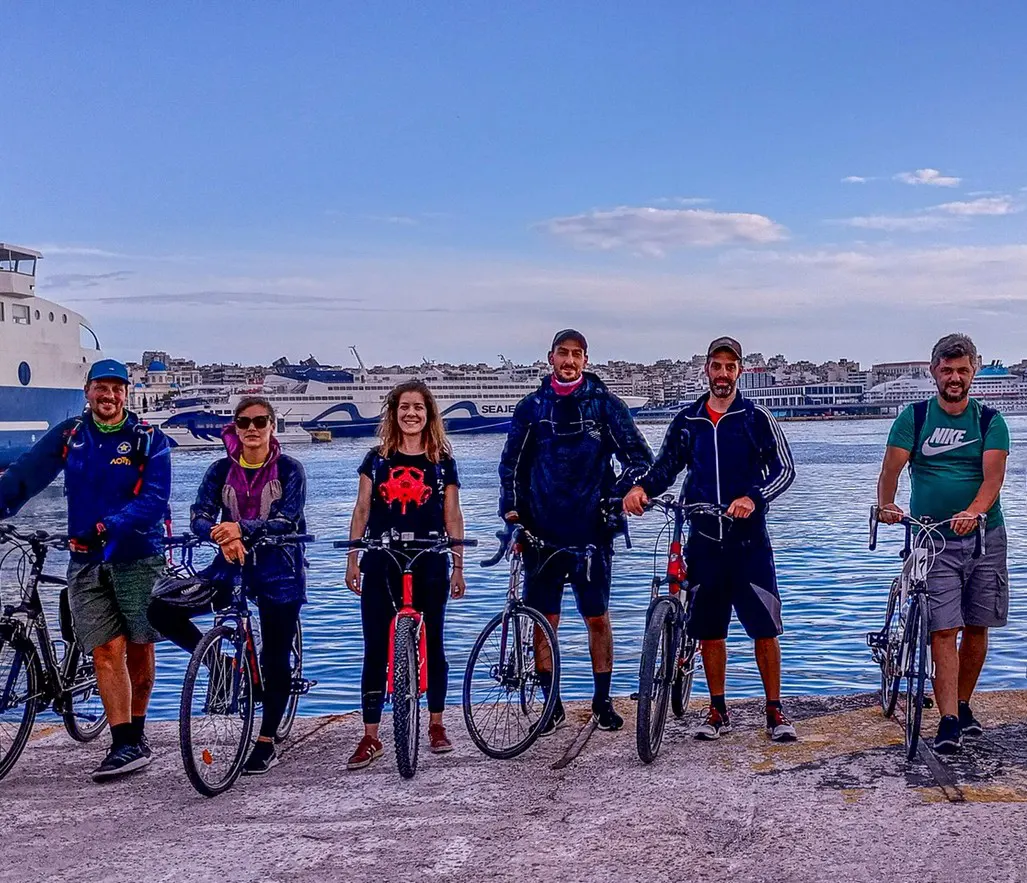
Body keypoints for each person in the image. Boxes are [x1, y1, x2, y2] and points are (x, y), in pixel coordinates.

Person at [0, 359, 171, 780]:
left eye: (116, 389)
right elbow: (26, 473)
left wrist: (108, 527)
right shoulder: (70, 436)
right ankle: (125, 743)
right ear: (87, 392)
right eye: (100, 388)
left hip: (137, 556)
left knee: (138, 647)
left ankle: (139, 729)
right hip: (85, 560)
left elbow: (154, 500)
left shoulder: (149, 439)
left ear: (126, 394)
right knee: (104, 649)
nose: (107, 396)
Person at [624, 336, 797, 742]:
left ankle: (774, 709)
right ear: (707, 369)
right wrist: (640, 491)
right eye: (716, 366)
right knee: (709, 631)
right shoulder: (688, 421)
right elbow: (664, 467)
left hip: (749, 543)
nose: (722, 374)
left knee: (764, 629)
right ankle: (717, 709)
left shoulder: (756, 418)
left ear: (739, 371)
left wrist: (753, 498)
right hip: (703, 538)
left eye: (730, 366)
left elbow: (785, 471)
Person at [498, 329, 653, 733]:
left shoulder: (605, 406)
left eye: (577, 355)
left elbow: (640, 460)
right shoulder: (531, 408)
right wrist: (512, 518)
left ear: (586, 360)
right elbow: (510, 467)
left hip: (591, 534)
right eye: (563, 354)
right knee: (544, 621)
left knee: (597, 618)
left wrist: (614, 497)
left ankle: (603, 700)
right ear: (550, 358)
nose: (569, 361)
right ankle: (552, 704)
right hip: (540, 534)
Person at [147, 396, 307, 774]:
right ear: (235, 427)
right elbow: (198, 516)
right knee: (160, 609)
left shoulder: (290, 469)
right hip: (228, 566)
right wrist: (224, 535)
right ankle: (219, 665)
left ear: (272, 426)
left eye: (260, 421)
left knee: (275, 656)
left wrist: (241, 529)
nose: (252, 429)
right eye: (244, 422)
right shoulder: (220, 469)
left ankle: (266, 741)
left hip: (278, 570)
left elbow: (287, 520)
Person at [876, 332, 1009, 754]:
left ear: (974, 372)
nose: (955, 377)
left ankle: (964, 703)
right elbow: (891, 473)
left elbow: (993, 479)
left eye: (962, 370)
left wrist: (974, 511)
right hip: (931, 539)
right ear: (934, 371)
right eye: (947, 369)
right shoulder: (913, 418)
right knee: (943, 628)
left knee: (977, 626)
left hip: (984, 538)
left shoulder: (990, 422)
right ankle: (949, 718)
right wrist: (886, 504)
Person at [345, 380, 466, 769]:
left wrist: (458, 563)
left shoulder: (442, 461)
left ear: (429, 415)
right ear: (394, 413)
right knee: (375, 646)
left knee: (436, 644)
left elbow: (452, 514)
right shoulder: (376, 459)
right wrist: (352, 557)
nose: (411, 414)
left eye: (419, 408)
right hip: (381, 558)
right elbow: (362, 509)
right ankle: (371, 735)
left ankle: (436, 723)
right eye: (404, 408)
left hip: (430, 557)